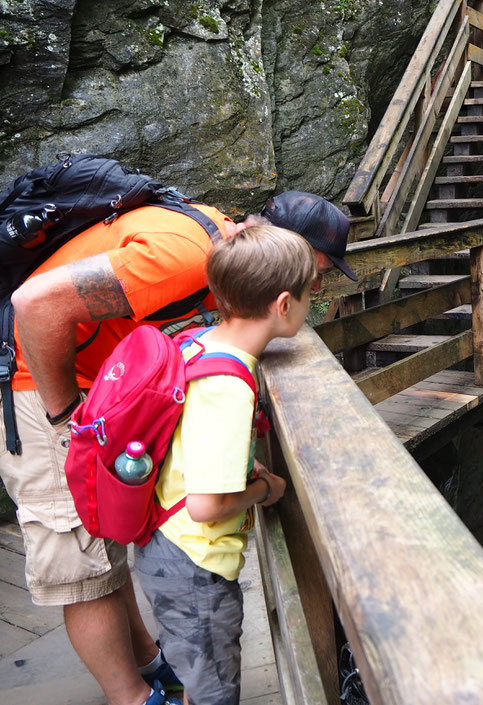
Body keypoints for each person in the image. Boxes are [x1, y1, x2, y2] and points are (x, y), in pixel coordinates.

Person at [1, 190, 355, 705]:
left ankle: (152, 663)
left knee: (101, 545)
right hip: (35, 382)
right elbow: (32, 304)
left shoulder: (212, 299)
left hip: (140, 494)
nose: (317, 285)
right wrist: (67, 419)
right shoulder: (188, 256)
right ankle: (132, 697)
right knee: (78, 560)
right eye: (313, 273)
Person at [135, 224, 314, 705]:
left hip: (162, 543)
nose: (308, 304)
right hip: (194, 564)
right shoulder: (228, 388)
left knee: (200, 679)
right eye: (307, 295)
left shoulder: (198, 342)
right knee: (215, 690)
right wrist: (266, 490)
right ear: (282, 305)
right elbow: (205, 505)